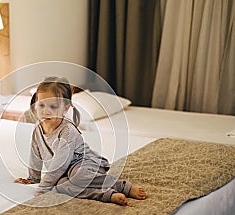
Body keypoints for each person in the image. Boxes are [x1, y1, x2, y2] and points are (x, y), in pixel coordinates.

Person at [14, 77, 146, 205]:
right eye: (41, 105)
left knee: (78, 176)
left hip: (84, 163)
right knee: (61, 186)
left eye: (53, 107)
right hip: (63, 172)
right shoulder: (38, 128)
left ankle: (122, 186)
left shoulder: (67, 130)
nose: (45, 111)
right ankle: (107, 195)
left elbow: (61, 162)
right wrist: (33, 178)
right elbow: (35, 154)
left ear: (65, 108)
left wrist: (44, 187)